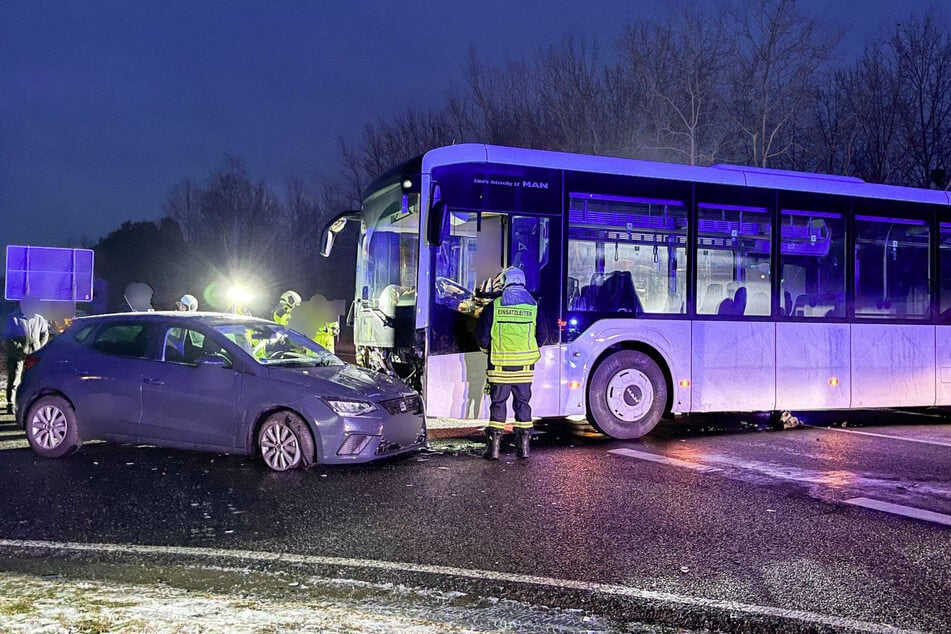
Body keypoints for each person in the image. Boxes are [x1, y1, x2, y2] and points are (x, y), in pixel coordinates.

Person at [476, 267, 546, 460]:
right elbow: (542, 336)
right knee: (523, 404)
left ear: (505, 283)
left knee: (498, 405)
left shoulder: (495, 306)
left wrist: (489, 351)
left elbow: (482, 338)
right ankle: (524, 449)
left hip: (499, 367)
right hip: (525, 369)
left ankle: (494, 450)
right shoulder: (534, 307)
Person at [3, 296, 50, 415]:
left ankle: (30, 403)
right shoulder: (13, 318)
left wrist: (39, 348)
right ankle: (11, 404)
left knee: (33, 379)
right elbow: (7, 338)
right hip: (17, 356)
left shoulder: (39, 319)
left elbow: (45, 334)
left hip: (34, 356)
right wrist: (19, 350)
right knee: (15, 379)